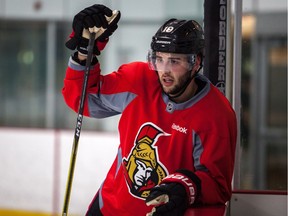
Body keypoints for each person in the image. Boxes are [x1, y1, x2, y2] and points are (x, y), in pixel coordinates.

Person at [62, 4, 237, 216]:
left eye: (174, 61)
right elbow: (81, 98)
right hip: (109, 208)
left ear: (195, 62)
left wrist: (185, 187)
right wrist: (84, 52)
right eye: (159, 59)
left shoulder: (215, 114)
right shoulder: (140, 80)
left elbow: (217, 186)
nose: (164, 70)